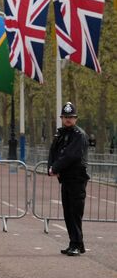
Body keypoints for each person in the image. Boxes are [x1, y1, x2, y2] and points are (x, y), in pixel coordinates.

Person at [47, 102, 90, 256]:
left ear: (76, 118)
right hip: (66, 178)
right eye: (65, 117)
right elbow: (53, 152)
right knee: (68, 213)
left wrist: (55, 168)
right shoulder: (60, 134)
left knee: (75, 213)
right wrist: (51, 168)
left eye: (71, 117)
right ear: (61, 118)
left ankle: (77, 244)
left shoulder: (79, 135)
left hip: (77, 178)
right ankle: (75, 243)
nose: (68, 119)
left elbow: (71, 155)